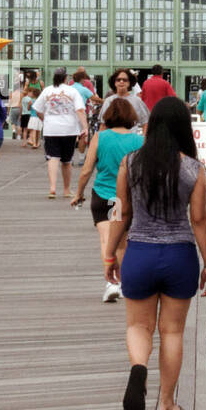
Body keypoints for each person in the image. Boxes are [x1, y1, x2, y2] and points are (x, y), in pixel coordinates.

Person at [103, 97, 206, 410]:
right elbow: (199, 219)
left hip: (140, 253)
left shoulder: (130, 162)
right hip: (180, 256)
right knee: (173, 331)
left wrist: (111, 254)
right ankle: (166, 402)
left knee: (139, 326)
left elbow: (121, 213)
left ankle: (139, 367)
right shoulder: (193, 169)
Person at [73, 97, 144, 303]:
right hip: (126, 198)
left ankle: (111, 283)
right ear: (131, 117)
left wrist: (78, 193)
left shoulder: (99, 137)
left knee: (106, 239)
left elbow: (86, 170)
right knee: (122, 243)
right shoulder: (138, 140)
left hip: (102, 194)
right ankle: (122, 282)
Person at [31, 67, 89, 200]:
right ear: (66, 78)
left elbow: (37, 109)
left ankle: (52, 188)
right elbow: (80, 110)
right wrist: (84, 127)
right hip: (69, 129)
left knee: (52, 158)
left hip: (51, 129)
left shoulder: (47, 90)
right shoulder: (72, 91)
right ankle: (67, 190)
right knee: (67, 161)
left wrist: (45, 119)